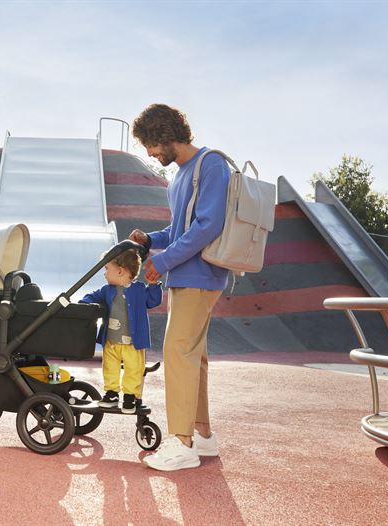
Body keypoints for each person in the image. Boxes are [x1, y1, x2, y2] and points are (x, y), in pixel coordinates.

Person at [129, 103, 230, 471]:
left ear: (166, 135)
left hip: (202, 275)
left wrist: (164, 261)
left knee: (176, 350)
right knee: (193, 356)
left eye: (151, 145)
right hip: (186, 276)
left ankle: (182, 444)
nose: (150, 153)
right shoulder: (180, 177)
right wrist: (150, 240)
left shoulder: (211, 164)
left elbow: (208, 226)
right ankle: (202, 436)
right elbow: (179, 230)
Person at [80, 249, 162, 414]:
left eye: (107, 269)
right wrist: (84, 304)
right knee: (110, 367)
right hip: (111, 341)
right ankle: (111, 394)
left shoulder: (139, 289)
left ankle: (130, 396)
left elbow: (153, 301)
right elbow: (91, 297)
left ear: (120, 271)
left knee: (134, 369)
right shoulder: (107, 290)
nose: (105, 274)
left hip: (133, 342)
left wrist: (153, 286)